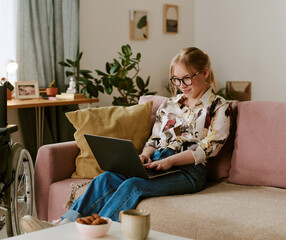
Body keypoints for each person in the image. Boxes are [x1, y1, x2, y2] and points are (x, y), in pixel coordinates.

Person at [21, 47, 231, 232]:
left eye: (187, 78)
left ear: (204, 72)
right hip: (158, 161)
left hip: (188, 171)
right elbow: (155, 137)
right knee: (107, 178)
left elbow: (208, 149)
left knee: (133, 186)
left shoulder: (219, 106)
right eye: (176, 79)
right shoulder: (170, 104)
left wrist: (170, 161)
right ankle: (63, 225)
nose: (181, 85)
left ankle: (95, 232)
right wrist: (145, 155)